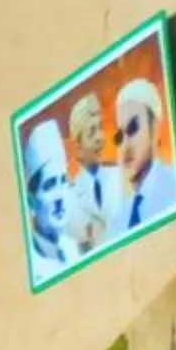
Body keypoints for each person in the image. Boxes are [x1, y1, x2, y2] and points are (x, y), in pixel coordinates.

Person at [113, 77, 176, 232]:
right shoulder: (119, 222)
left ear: (155, 129)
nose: (125, 146)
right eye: (119, 137)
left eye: (133, 129)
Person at [22, 118, 82, 279]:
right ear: (32, 201)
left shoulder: (72, 249)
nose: (59, 197)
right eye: (49, 186)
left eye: (63, 181)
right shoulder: (32, 267)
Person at [62, 87, 120, 250]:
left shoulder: (121, 176)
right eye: (92, 132)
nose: (100, 137)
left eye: (100, 127)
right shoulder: (72, 195)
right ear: (78, 144)